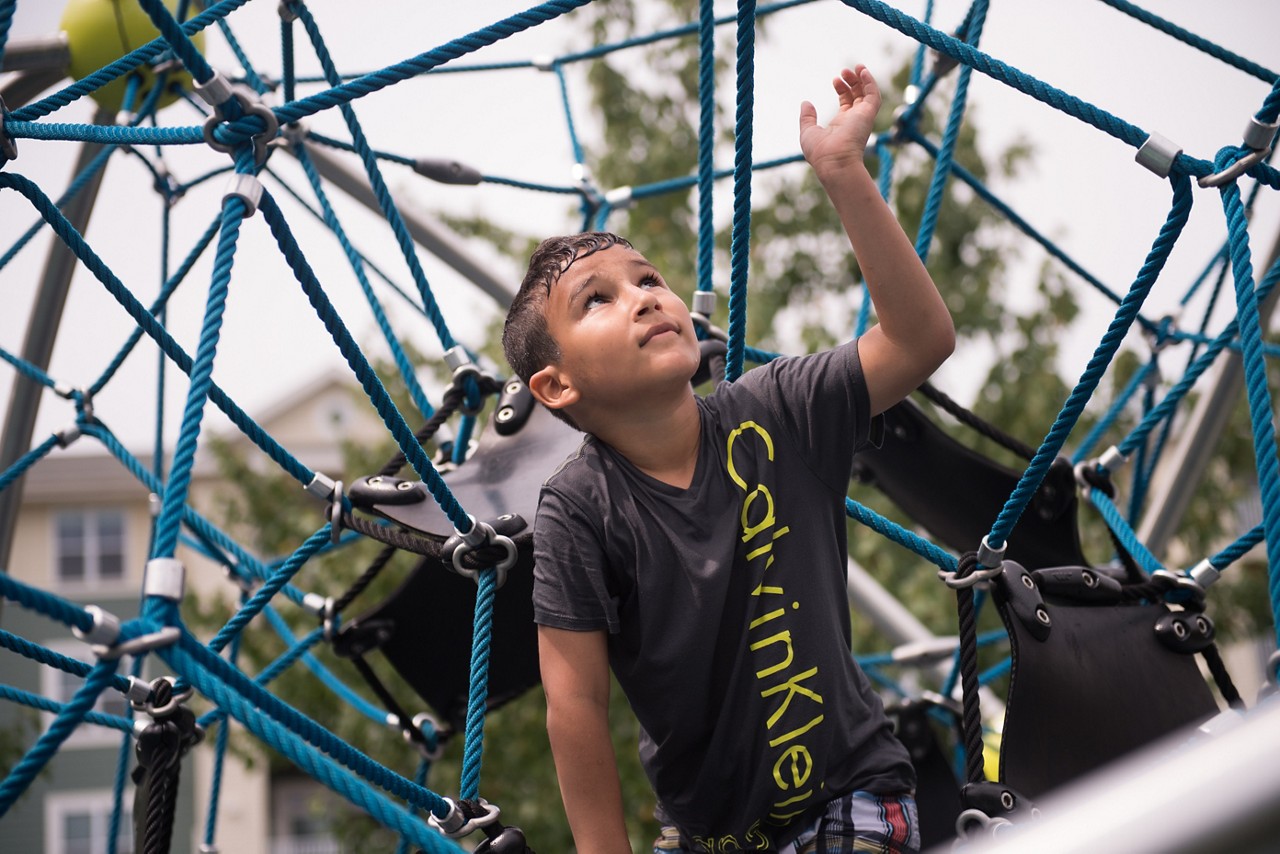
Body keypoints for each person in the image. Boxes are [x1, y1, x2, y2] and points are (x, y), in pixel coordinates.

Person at [501, 66, 954, 853]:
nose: (644, 296)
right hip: (707, 837)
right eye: (597, 300)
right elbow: (574, 704)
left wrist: (844, 175)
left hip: (851, 798)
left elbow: (919, 341)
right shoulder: (578, 509)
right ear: (556, 385)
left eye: (649, 278)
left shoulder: (776, 412)